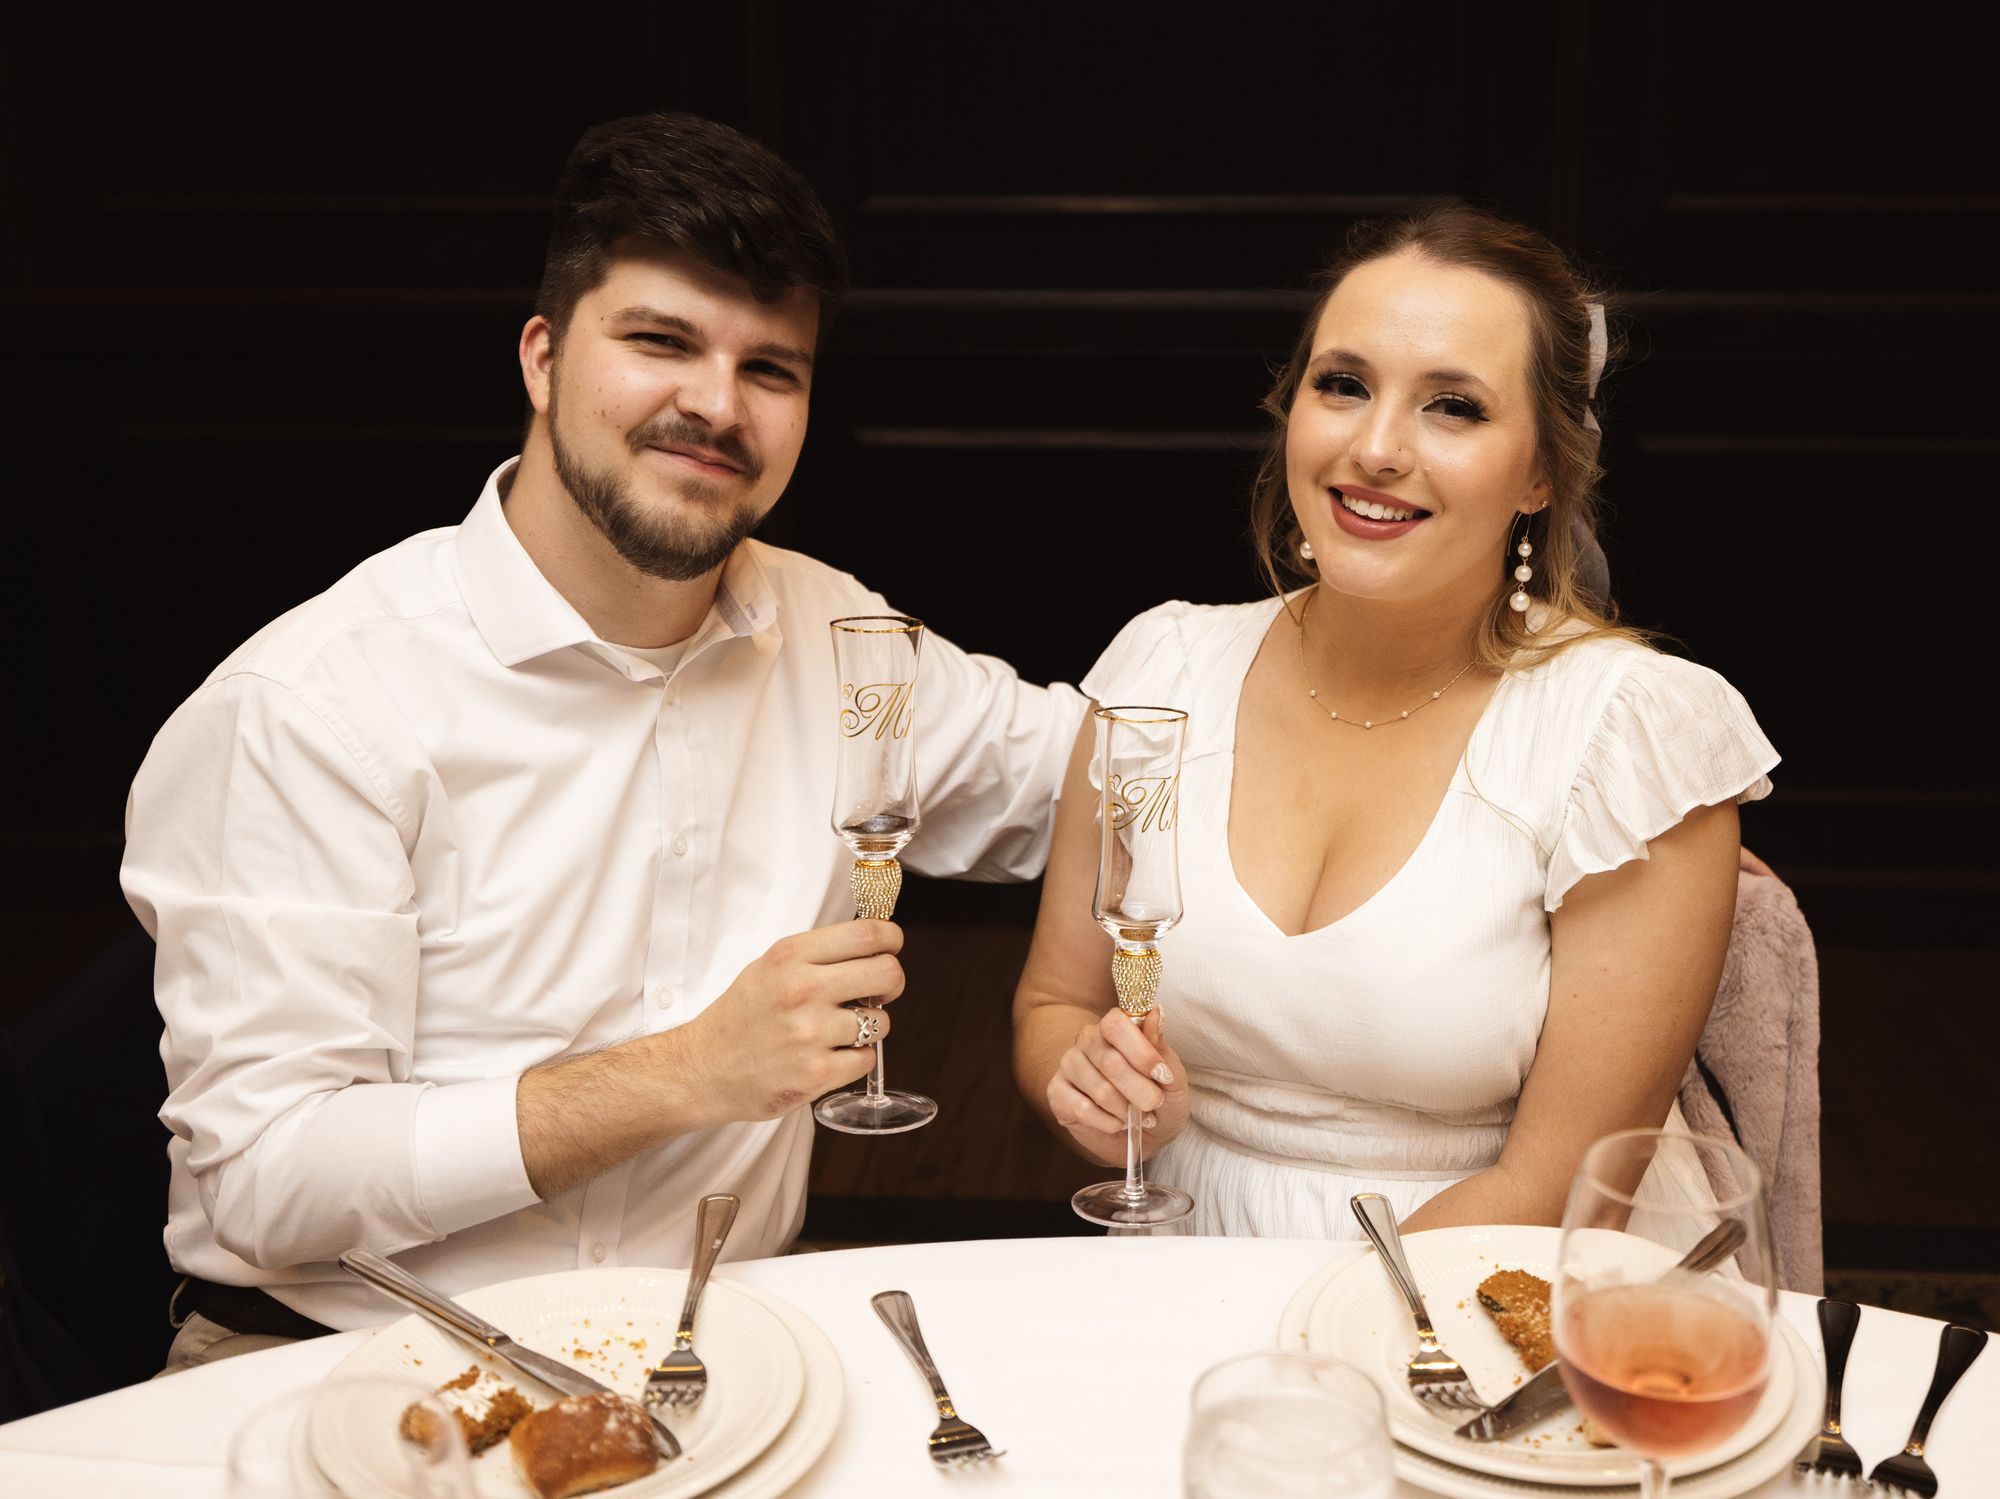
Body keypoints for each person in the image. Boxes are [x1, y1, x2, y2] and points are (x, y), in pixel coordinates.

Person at [122, 111, 1083, 1367]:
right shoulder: (311, 704)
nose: (715, 404)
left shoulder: (838, 638)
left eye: (770, 368)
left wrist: (1344, 599)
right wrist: (687, 1071)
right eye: (660, 342)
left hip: (717, 1346)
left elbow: (1105, 774)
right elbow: (265, 1174)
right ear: (542, 357)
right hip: (338, 1356)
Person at [1013, 204, 1778, 1237]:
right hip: (1180, 1259)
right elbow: (1052, 1005)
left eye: (1452, 407)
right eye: (1343, 384)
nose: (1375, 447)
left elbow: (1560, 1187)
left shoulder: (1632, 736)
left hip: (1478, 1275)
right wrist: (1087, 1088)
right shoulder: (1162, 667)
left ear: (1542, 471)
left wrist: (1311, 1323)